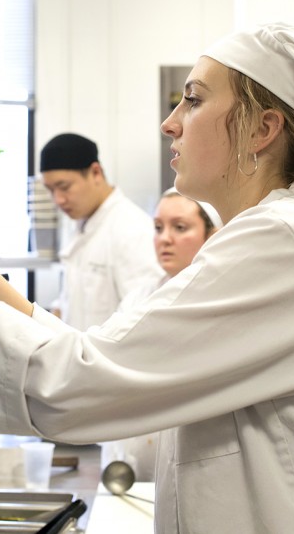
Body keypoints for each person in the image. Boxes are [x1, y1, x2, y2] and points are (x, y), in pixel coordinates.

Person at [0, 22, 294, 532]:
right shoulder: (278, 235)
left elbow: (77, 385)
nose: (170, 123)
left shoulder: (288, 239)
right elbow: (99, 352)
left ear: (261, 129)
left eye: (194, 100)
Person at [100, 188, 220, 481]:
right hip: (127, 455)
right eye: (158, 228)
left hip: (193, 459)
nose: (165, 238)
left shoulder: (219, 299)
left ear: (213, 235)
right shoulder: (139, 297)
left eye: (180, 227)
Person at [39, 132, 163, 329]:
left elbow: (145, 318)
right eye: (50, 190)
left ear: (96, 173)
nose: (58, 200)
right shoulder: (80, 223)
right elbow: (68, 302)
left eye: (64, 187)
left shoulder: (132, 229)